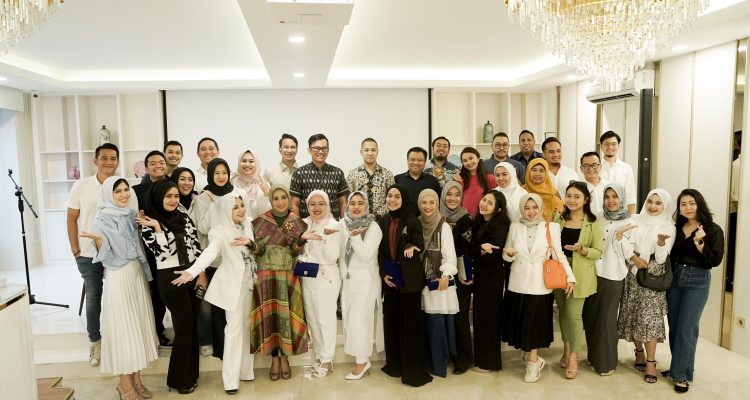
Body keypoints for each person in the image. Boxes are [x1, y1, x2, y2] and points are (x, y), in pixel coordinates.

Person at [78, 177, 158, 400]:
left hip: (136, 274)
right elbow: (106, 257)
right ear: (107, 195)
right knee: (124, 331)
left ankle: (137, 380)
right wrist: (99, 242)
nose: (124, 195)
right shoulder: (101, 221)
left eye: (125, 190)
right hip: (119, 277)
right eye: (117, 191)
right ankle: (124, 384)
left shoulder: (131, 214)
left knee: (138, 328)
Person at [172, 192, 257, 395]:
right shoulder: (219, 231)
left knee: (247, 326)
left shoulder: (248, 223)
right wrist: (192, 272)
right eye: (235, 207)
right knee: (234, 329)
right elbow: (209, 253)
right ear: (226, 210)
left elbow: (254, 250)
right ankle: (230, 380)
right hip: (232, 285)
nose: (241, 210)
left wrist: (250, 243)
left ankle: (245, 371)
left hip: (250, 283)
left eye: (242, 205)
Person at [67, 143, 130, 367]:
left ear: (118, 161)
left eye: (113, 158)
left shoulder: (122, 186)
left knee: (119, 297)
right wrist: (75, 249)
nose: (109, 162)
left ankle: (119, 340)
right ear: (95, 161)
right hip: (87, 253)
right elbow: (71, 218)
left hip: (117, 254)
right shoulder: (81, 186)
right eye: (104, 158)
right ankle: (95, 342)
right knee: (94, 296)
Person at [137, 180, 203, 394]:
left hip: (191, 273)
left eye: (176, 196)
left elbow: (195, 247)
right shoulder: (147, 222)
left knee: (192, 327)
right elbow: (162, 253)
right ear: (158, 197)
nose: (174, 200)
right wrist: (158, 228)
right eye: (168, 196)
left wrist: (200, 274)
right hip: (170, 277)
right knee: (183, 328)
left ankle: (191, 375)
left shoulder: (184, 217)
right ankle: (179, 380)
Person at [502, 194, 575, 383]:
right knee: (522, 322)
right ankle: (528, 355)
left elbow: (558, 254)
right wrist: (509, 254)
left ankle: (533, 362)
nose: (531, 211)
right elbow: (506, 254)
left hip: (540, 284)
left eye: (535, 207)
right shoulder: (515, 226)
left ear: (541, 208)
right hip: (518, 282)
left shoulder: (551, 227)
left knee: (534, 323)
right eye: (527, 208)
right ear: (522, 209)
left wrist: (570, 277)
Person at [665, 189, 725, 393]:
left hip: (697, 280)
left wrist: (700, 243)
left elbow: (715, 260)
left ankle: (682, 375)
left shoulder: (713, 229)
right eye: (683, 204)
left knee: (687, 328)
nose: (688, 207)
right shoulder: (676, 227)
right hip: (675, 278)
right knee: (674, 326)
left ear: (699, 204)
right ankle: (678, 367)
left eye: (691, 203)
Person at [616, 189, 675, 386]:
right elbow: (624, 244)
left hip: (653, 277)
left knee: (650, 319)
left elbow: (661, 258)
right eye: (650, 201)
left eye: (658, 203)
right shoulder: (635, 220)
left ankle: (651, 361)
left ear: (665, 206)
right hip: (633, 273)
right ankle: (639, 351)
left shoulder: (669, 226)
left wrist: (660, 243)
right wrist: (634, 260)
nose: (653, 206)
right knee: (634, 315)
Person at [249, 185, 308, 381]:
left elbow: (296, 250)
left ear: (289, 200)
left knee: (287, 317)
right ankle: (275, 358)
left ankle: (285, 358)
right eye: (276, 198)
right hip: (266, 275)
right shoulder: (260, 221)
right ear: (270, 200)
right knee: (271, 318)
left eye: (284, 197)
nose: (280, 202)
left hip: (288, 275)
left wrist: (301, 243)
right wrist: (251, 245)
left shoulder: (297, 222)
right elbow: (258, 249)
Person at [379, 184, 433, 387]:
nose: (392, 200)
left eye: (397, 196)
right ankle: (395, 366)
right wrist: (383, 274)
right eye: (390, 196)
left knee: (410, 327)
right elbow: (380, 251)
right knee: (392, 324)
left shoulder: (412, 220)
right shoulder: (384, 220)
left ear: (404, 199)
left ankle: (412, 371)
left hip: (409, 281)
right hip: (391, 280)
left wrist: (411, 246)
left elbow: (419, 244)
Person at [193, 158, 245, 359]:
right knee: (216, 307)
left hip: (235, 259)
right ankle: (220, 349)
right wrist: (217, 206)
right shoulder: (203, 198)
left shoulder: (237, 194)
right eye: (217, 173)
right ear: (210, 175)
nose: (221, 177)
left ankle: (235, 351)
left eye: (224, 172)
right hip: (215, 259)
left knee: (234, 309)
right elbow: (203, 228)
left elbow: (243, 222)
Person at [553, 181, 603, 379]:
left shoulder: (593, 222)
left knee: (574, 315)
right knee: (563, 313)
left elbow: (598, 251)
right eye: (569, 196)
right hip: (559, 271)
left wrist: (582, 249)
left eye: (577, 197)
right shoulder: (558, 218)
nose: (572, 200)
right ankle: (566, 350)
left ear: (586, 199)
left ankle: (574, 356)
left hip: (580, 274)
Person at [582, 183, 634, 376]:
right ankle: (594, 357)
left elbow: (629, 254)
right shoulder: (598, 218)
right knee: (590, 316)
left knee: (606, 319)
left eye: (615, 196)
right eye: (607, 196)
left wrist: (619, 238)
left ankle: (606, 363)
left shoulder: (630, 221)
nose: (611, 201)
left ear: (622, 198)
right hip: (592, 273)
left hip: (612, 275)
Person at [168, 167, 216, 357]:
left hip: (201, 258)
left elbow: (206, 229)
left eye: (190, 179)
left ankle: (204, 340)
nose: (187, 182)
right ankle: (187, 342)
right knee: (183, 307)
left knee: (203, 302)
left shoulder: (201, 200)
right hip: (178, 262)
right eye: (182, 179)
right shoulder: (170, 202)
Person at [297, 190, 343, 377]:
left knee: (325, 318)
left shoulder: (334, 225)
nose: (317, 208)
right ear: (307, 206)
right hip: (307, 276)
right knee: (312, 319)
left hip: (326, 276)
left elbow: (332, 256)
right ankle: (319, 354)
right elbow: (297, 249)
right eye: (312, 204)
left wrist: (326, 238)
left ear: (327, 205)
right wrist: (302, 239)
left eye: (321, 203)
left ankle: (327, 358)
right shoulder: (303, 223)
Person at [339, 191, 384, 380]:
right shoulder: (343, 224)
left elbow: (366, 255)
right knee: (350, 321)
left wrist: (356, 237)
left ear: (366, 206)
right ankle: (360, 360)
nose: (356, 207)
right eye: (353, 203)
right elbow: (339, 253)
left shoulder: (373, 227)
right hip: (348, 281)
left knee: (360, 321)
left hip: (366, 281)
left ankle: (362, 362)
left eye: (360, 203)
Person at [417, 189, 458, 378]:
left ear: (437, 204)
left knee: (436, 326)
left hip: (438, 285)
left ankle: (438, 365)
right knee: (424, 326)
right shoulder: (416, 224)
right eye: (424, 202)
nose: (428, 207)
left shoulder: (444, 226)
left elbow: (450, 256)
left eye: (431, 202)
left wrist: (446, 274)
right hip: (419, 284)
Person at [132, 150, 171, 348]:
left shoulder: (172, 186)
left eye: (161, 162)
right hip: (148, 248)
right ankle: (155, 332)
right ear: (146, 168)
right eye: (153, 163)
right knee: (153, 291)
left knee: (167, 290)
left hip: (171, 246)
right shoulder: (136, 191)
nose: (158, 165)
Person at [471, 191, 511, 373]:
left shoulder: (500, 226)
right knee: (480, 318)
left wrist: (482, 250)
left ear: (498, 209)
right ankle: (481, 360)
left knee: (489, 319)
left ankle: (489, 363)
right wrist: (479, 249)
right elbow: (473, 248)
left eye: (490, 203)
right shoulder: (479, 222)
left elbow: (493, 256)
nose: (484, 204)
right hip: (481, 276)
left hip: (491, 278)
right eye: (484, 200)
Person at [440, 182, 474, 375]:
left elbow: (466, 249)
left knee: (460, 318)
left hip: (460, 276)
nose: (453, 198)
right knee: (445, 317)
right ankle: (448, 356)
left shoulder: (465, 218)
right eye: (449, 194)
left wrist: (465, 274)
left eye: (457, 195)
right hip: (441, 274)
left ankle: (464, 359)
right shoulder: (436, 217)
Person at [290, 133, 349, 218]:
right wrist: (299, 225)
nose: (321, 151)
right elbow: (294, 204)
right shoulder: (299, 173)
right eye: (317, 148)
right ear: (309, 150)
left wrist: (343, 223)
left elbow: (343, 203)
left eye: (324, 148)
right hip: (308, 225)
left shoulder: (338, 173)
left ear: (328, 150)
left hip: (333, 224)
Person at [346, 138, 395, 219]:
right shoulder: (352, 174)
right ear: (361, 152)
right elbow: (348, 200)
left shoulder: (387, 174)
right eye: (366, 150)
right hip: (358, 220)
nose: (370, 153)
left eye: (373, 150)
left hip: (382, 221)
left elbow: (391, 200)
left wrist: (377, 215)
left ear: (377, 152)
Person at [394, 147, 441, 216]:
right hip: (403, 220)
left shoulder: (433, 181)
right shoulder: (397, 179)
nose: (416, 163)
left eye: (419, 160)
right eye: (412, 159)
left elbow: (438, 203)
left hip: (426, 220)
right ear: (407, 161)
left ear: (425, 162)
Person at [599, 131, 637, 213]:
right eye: (606, 144)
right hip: (599, 212)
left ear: (618, 146)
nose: (610, 147)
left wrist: (632, 217)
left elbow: (630, 195)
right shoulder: (595, 167)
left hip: (621, 214)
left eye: (614, 144)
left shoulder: (626, 168)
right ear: (601, 146)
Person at [454, 147, 497, 218]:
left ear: (478, 158)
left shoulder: (490, 178)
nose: (468, 162)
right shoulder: (460, 179)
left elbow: (495, 201)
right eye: (465, 160)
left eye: (471, 158)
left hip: (484, 219)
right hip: (464, 219)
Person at [231, 149, 272, 219]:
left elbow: (268, 214)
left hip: (258, 225)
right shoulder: (232, 181)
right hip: (235, 225)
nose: (247, 164)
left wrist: (267, 193)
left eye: (251, 161)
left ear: (257, 163)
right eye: (244, 161)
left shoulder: (263, 183)